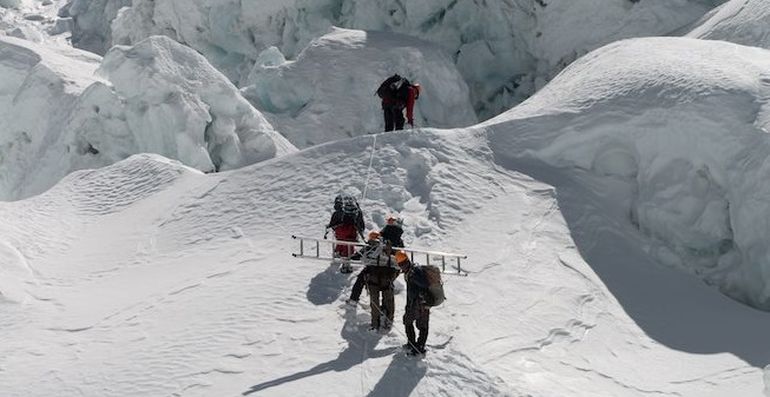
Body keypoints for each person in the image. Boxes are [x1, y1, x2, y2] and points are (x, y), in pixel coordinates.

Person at [361, 234, 400, 331]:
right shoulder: (392, 250)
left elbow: (361, 259)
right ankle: (388, 322)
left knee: (374, 302)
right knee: (389, 301)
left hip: (373, 277)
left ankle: (375, 324)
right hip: (387, 278)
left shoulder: (369, 249)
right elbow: (398, 266)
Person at [396, 252, 431, 356]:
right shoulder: (409, 271)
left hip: (421, 301)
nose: (402, 266)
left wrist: (413, 277)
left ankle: (420, 346)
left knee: (422, 324)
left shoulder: (415, 271)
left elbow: (425, 284)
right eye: (400, 264)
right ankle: (412, 343)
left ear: (407, 261)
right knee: (408, 320)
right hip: (413, 302)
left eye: (403, 263)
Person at [326, 194, 365, 273]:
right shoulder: (357, 212)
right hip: (351, 233)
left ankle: (338, 253)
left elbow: (332, 223)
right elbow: (361, 224)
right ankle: (346, 265)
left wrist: (333, 228)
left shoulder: (338, 212)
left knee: (341, 242)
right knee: (348, 247)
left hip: (340, 232)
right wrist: (361, 232)